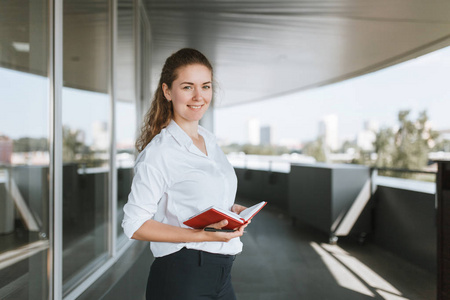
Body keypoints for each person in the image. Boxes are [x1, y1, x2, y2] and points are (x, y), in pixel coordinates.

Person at [122, 48, 249, 300]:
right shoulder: (160, 152)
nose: (199, 96)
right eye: (188, 87)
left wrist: (230, 210)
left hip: (221, 275)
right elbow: (134, 225)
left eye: (206, 86)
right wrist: (198, 235)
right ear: (167, 91)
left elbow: (195, 196)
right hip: (182, 277)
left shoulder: (211, 142)